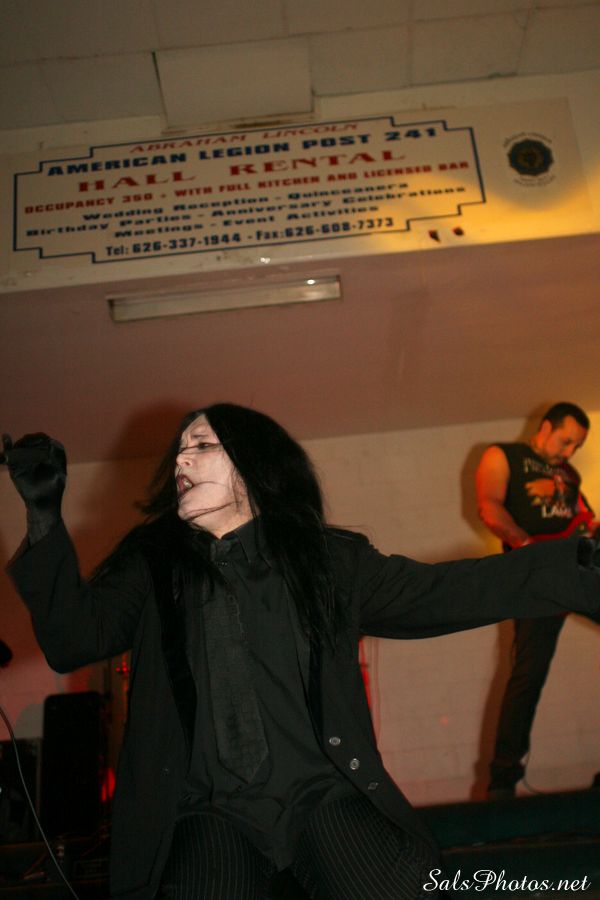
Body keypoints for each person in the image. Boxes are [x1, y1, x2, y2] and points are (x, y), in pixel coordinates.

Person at [4, 404, 600, 900]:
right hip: (205, 810)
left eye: (202, 445)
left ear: (254, 464)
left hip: (321, 792)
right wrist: (43, 516)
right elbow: (73, 640)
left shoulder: (328, 563)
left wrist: (579, 564)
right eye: (180, 451)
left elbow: (447, 591)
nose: (181, 459)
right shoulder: (153, 569)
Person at [475, 402, 595, 798]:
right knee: (530, 672)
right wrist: (526, 547)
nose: (569, 452)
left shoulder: (570, 475)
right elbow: (489, 506)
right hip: (537, 576)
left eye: (576, 446)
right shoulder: (503, 456)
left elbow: (584, 522)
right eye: (565, 441)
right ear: (545, 427)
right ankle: (502, 783)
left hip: (574, 569)